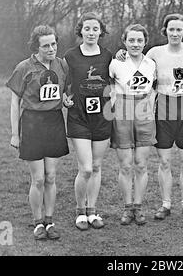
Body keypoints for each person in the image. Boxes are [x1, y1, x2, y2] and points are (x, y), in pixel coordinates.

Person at [117, 13, 183, 220]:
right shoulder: (155, 52)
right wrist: (121, 53)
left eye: (179, 29)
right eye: (171, 29)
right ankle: (165, 204)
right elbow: (135, 61)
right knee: (164, 162)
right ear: (165, 31)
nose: (175, 33)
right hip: (163, 107)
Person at [6, 25, 70, 240]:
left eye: (54, 44)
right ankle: (38, 223)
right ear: (37, 47)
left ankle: (50, 221)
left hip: (54, 121)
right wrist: (15, 134)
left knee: (51, 176)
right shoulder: (24, 67)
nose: (51, 48)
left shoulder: (62, 65)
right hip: (32, 122)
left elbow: (65, 91)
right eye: (46, 45)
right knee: (38, 179)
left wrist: (66, 100)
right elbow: (15, 102)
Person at [63, 12, 113, 230]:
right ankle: (80, 210)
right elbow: (62, 81)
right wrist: (64, 96)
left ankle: (92, 210)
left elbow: (120, 76)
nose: (91, 32)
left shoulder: (109, 55)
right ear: (80, 31)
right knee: (85, 168)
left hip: (102, 117)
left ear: (101, 31)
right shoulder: (70, 56)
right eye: (87, 28)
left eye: (95, 29)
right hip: (78, 117)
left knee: (97, 165)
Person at [109, 24, 157, 225]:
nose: (135, 44)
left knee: (141, 164)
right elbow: (107, 86)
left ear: (145, 42)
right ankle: (127, 208)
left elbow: (155, 87)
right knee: (126, 164)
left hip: (144, 111)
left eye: (139, 40)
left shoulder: (151, 64)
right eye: (131, 40)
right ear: (124, 41)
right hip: (123, 110)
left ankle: (138, 207)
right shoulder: (115, 63)